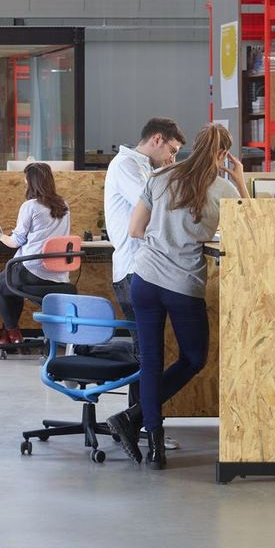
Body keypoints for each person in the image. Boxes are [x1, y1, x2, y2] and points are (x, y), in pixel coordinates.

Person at [107, 124, 244, 468]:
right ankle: (131, 417)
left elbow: (135, 229)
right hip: (183, 284)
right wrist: (241, 180)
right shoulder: (224, 188)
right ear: (223, 155)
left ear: (193, 147)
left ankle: (155, 448)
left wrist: (164, 236)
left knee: (151, 362)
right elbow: (252, 228)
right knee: (193, 358)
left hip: (145, 279)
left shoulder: (160, 177)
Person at [103, 117, 186, 320]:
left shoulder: (146, 168)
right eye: (172, 151)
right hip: (133, 268)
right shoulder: (125, 165)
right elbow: (158, 206)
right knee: (144, 339)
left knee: (151, 338)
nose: (172, 159)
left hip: (147, 269)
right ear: (157, 139)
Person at [0, 162, 72, 351]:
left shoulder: (30, 206)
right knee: (9, 286)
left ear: (31, 181)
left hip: (32, 270)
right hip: (58, 274)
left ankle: (13, 333)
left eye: (26, 179)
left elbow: (16, 242)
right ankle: (8, 336)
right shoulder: (63, 204)